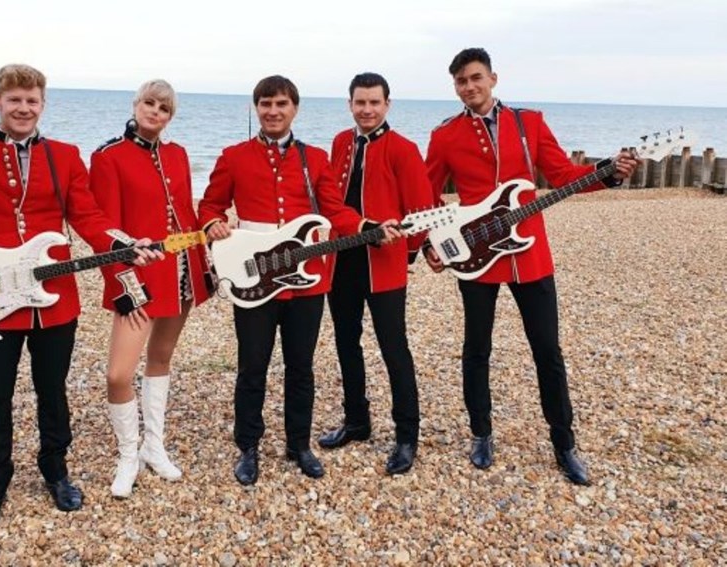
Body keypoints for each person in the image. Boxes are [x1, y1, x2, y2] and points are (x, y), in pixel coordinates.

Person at [0, 64, 160, 527]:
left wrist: (124, 246)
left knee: (53, 390)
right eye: (14, 99)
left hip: (55, 297)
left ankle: (55, 470)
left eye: (32, 100)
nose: (23, 108)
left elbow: (87, 217)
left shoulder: (65, 156)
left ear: (43, 104)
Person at [424, 48, 638, 485]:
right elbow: (427, 194)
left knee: (547, 351)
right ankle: (481, 433)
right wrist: (432, 242)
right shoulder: (444, 135)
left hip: (529, 254)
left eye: (476, 77)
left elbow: (562, 175)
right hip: (475, 255)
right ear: (455, 87)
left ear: (493, 78)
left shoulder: (530, 123)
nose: (470, 86)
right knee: (476, 349)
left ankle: (564, 442)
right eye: (462, 81)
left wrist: (609, 172)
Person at [198, 75, 401, 486]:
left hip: (304, 280)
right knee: (252, 366)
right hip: (253, 276)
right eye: (266, 104)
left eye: (281, 104)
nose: (273, 111)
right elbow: (210, 205)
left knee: (301, 366)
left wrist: (367, 226)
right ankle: (248, 446)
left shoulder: (316, 159)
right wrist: (213, 224)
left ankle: (299, 444)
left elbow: (334, 210)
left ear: (295, 108)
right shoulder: (234, 156)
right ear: (256, 108)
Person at [89, 79, 213, 498]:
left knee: (161, 358)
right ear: (135, 104)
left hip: (183, 269)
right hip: (138, 276)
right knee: (118, 374)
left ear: (170, 116)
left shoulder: (178, 154)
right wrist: (122, 284)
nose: (155, 111)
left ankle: (153, 446)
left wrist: (206, 259)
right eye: (149, 103)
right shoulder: (108, 156)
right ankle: (128, 455)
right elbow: (103, 231)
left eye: (164, 107)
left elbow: (186, 213)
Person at [317, 73, 434, 475]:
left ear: (387, 104)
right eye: (360, 102)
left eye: (374, 102)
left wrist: (411, 252)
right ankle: (356, 421)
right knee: (346, 343)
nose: (366, 109)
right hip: (342, 260)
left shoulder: (403, 148)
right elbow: (330, 200)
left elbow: (420, 210)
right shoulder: (340, 143)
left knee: (393, 348)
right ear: (350, 104)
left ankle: (407, 435)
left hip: (384, 265)